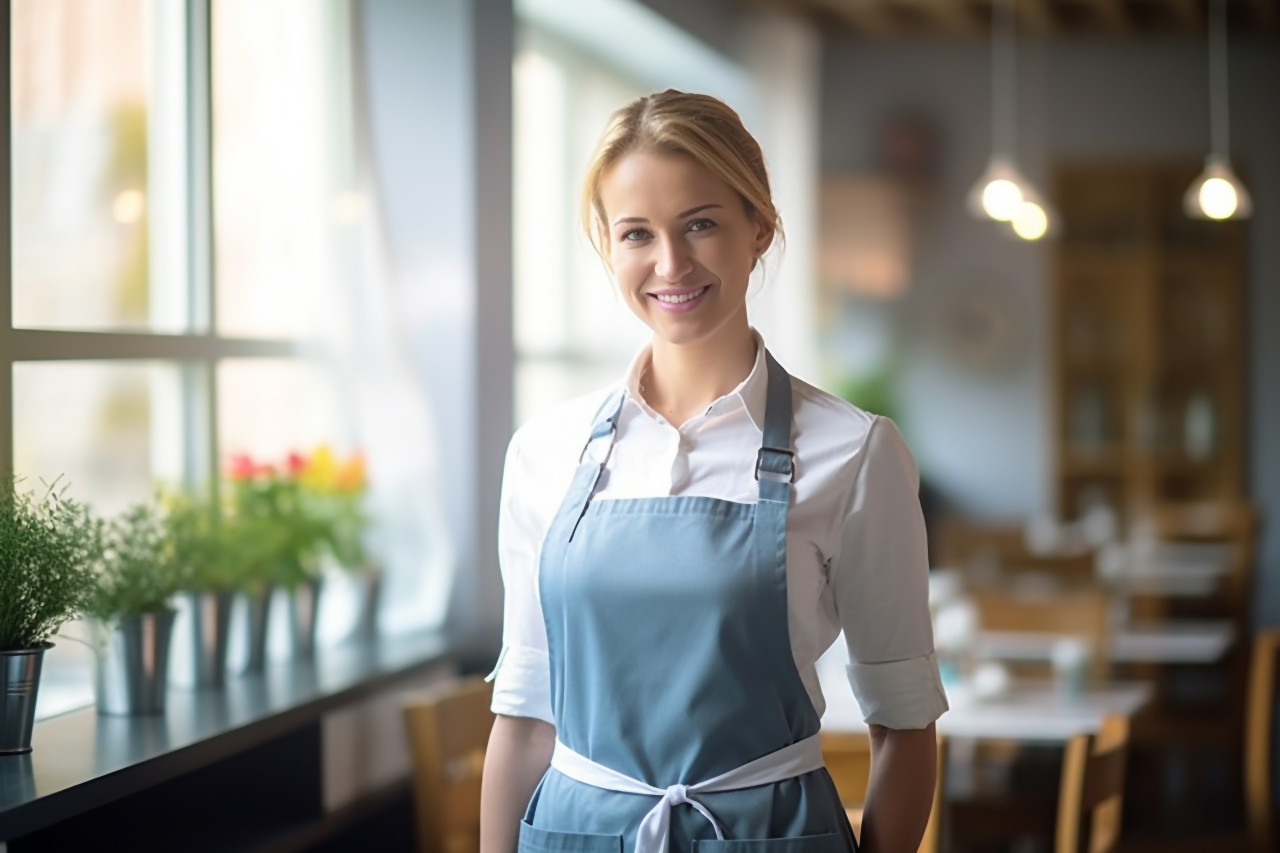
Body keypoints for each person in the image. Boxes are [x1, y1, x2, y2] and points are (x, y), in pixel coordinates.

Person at [480, 90, 948, 853]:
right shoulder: (543, 452)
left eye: (700, 222)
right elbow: (527, 721)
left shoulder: (855, 452)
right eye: (637, 233)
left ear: (759, 227)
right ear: (609, 245)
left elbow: (905, 723)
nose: (671, 263)